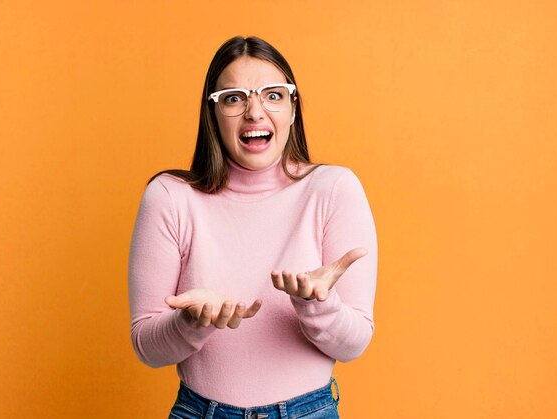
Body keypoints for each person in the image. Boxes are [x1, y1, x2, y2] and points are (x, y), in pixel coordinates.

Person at [128, 36, 378, 418]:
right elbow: (146, 346)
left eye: (273, 95)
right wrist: (190, 323)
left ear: (293, 110)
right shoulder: (169, 196)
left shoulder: (334, 189)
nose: (255, 112)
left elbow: (353, 344)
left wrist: (318, 306)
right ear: (212, 114)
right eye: (234, 98)